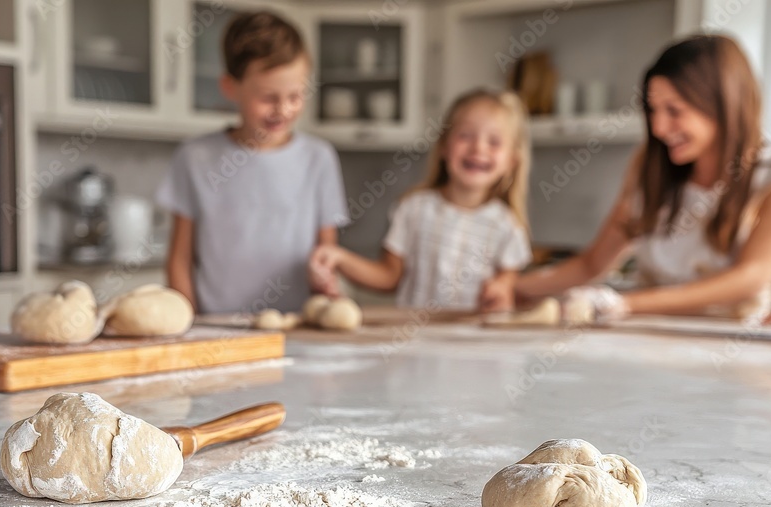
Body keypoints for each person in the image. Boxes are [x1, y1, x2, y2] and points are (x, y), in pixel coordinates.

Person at [516, 34, 771, 323]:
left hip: (733, 352)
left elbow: (752, 277)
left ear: (723, 105)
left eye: (674, 111)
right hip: (651, 345)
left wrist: (625, 304)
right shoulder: (650, 165)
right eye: (653, 111)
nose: (658, 128)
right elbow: (592, 263)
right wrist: (516, 286)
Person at [157, 11, 348, 314]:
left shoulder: (319, 158)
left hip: (295, 329)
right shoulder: (194, 158)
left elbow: (327, 254)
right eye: (268, 98)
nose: (283, 110)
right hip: (215, 329)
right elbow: (180, 258)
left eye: (295, 96)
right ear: (231, 87)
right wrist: (187, 325)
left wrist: (325, 283)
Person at [310, 89, 532, 312]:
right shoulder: (413, 209)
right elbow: (388, 278)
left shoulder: (507, 225)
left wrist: (500, 293)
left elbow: (508, 287)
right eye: (465, 136)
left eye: (494, 141)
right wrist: (341, 258)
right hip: (413, 342)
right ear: (444, 146)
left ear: (512, 160)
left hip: (475, 344)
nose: (478, 148)